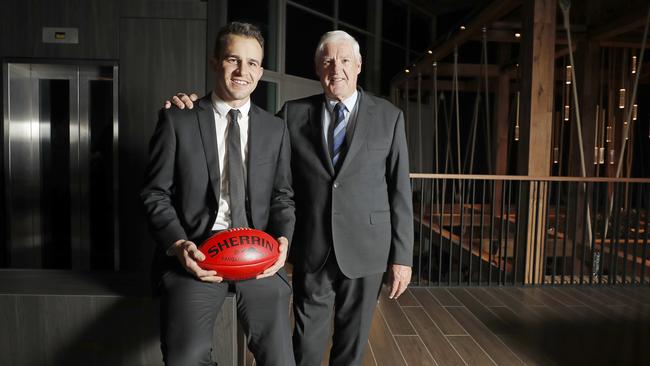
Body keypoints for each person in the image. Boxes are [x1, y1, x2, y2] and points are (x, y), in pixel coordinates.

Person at [167, 30, 413, 366]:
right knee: (305, 345)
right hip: (313, 247)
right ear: (317, 67)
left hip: (368, 247)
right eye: (327, 61)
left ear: (358, 65)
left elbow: (400, 189)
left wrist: (402, 257)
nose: (335, 68)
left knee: (352, 346)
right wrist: (190, 105)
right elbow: (244, 130)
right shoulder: (290, 115)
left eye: (344, 60)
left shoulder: (389, 116)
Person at [142, 22, 295, 366]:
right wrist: (179, 244)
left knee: (281, 360)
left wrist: (283, 239)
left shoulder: (275, 128)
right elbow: (155, 193)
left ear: (261, 70)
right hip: (196, 253)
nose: (243, 71)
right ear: (215, 63)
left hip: (256, 253)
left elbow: (282, 196)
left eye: (253, 63)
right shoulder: (178, 120)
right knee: (184, 359)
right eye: (233, 60)